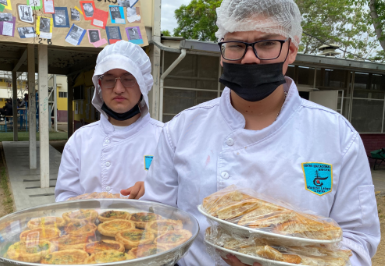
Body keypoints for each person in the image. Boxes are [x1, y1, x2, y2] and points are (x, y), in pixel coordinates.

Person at [131, 0, 381, 265]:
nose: (249, 57)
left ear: (291, 50)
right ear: (222, 53)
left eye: (267, 43)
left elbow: (357, 239)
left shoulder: (336, 135)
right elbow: (158, 222)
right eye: (237, 45)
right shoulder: (181, 130)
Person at [55, 40, 163, 202]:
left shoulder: (164, 137)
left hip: (147, 226)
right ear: (99, 84)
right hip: (89, 227)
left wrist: (154, 190)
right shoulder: (80, 140)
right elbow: (65, 196)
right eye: (109, 79)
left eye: (128, 78)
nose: (118, 89)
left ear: (142, 84)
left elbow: (181, 197)